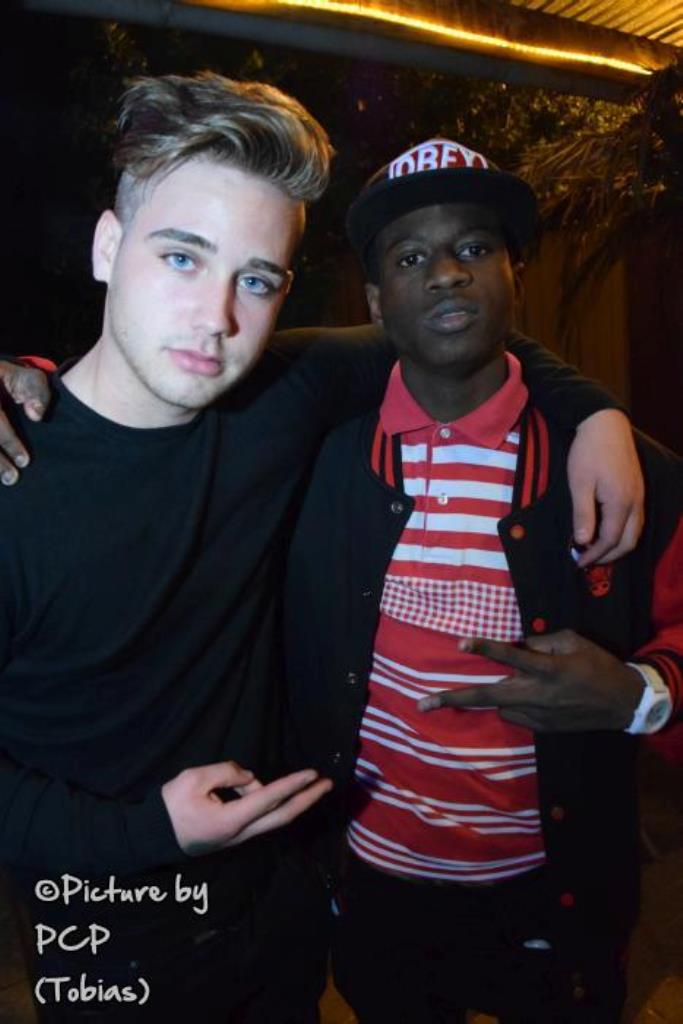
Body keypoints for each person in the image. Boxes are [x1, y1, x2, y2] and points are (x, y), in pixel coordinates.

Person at [0, 82, 644, 1020]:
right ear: (108, 247)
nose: (218, 317)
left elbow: (456, 332)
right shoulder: (14, 483)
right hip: (104, 931)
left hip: (281, 914)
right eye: (180, 257)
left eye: (256, 280)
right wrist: (144, 832)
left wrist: (594, 412)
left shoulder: (280, 397)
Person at [284, 137, 683, 1023]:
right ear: (375, 302)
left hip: (552, 899)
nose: (446, 273)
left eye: (473, 246)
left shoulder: (626, 475)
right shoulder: (315, 461)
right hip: (375, 888)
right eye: (410, 257)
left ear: (515, 276)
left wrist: (637, 695)